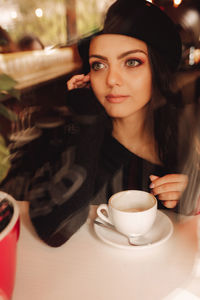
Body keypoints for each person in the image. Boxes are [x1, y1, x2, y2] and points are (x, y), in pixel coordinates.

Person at [11, 0, 199, 246]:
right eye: (99, 65)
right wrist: (87, 116)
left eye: (131, 62)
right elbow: (54, 230)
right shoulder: (71, 134)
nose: (111, 79)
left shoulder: (182, 137)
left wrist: (191, 200)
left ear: (157, 70)